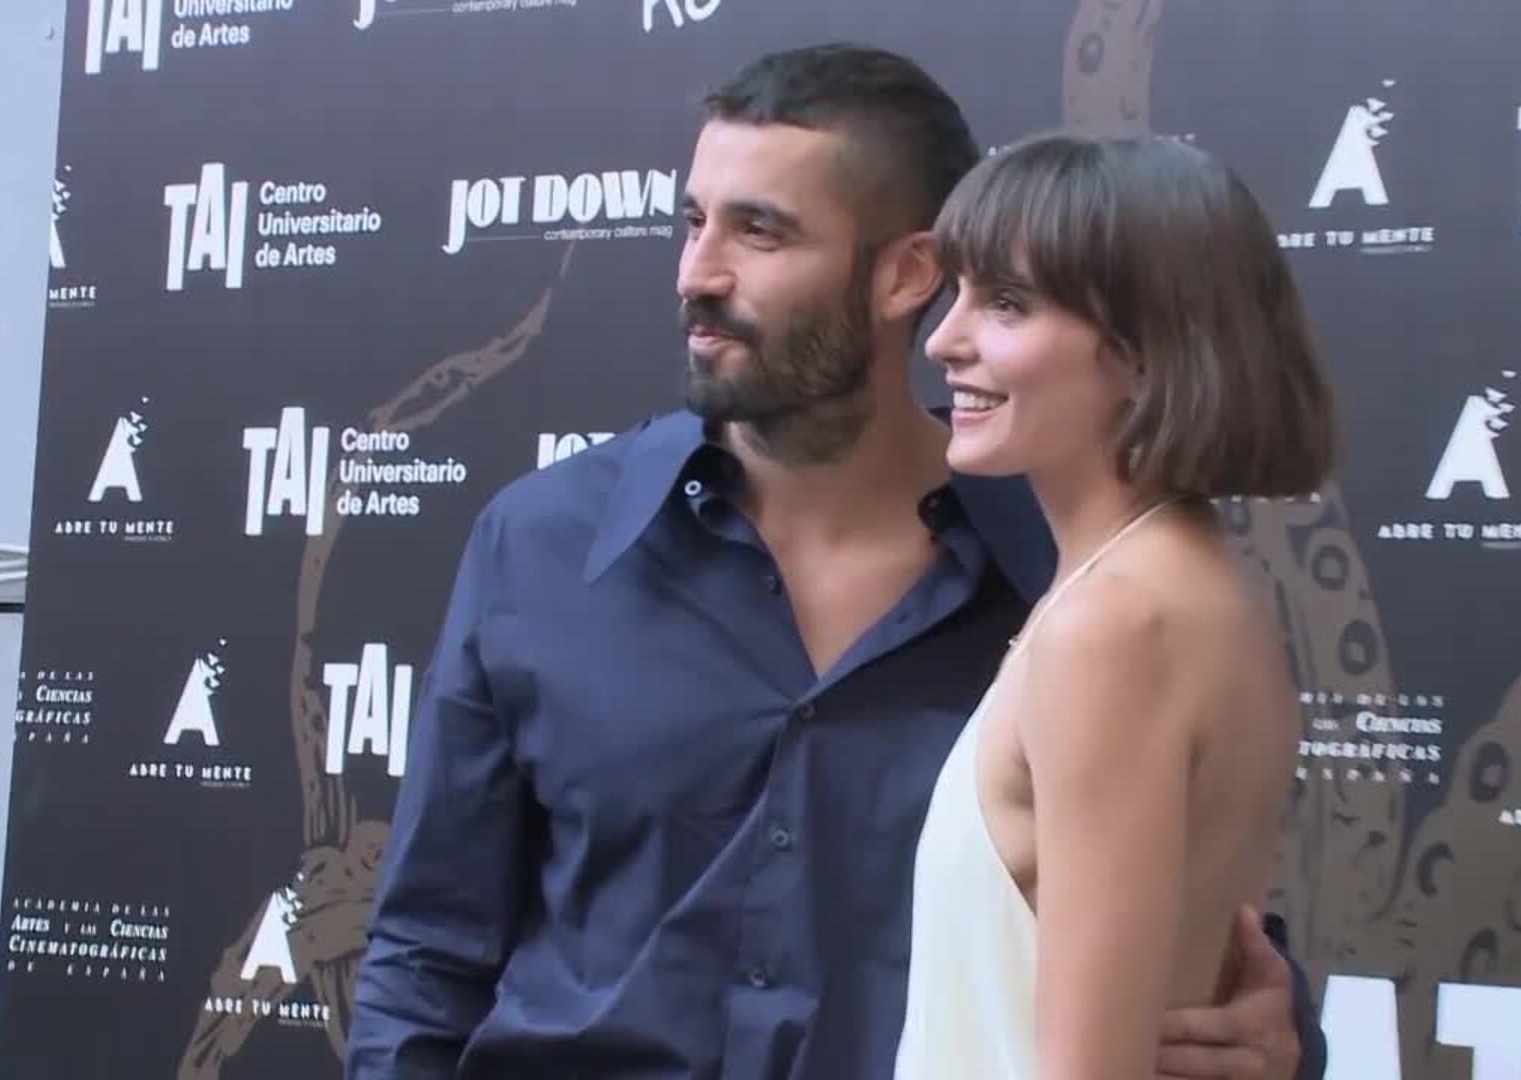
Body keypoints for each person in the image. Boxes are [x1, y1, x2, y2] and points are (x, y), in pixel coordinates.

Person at [346, 43, 1326, 1080]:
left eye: (759, 231)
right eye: (693, 223)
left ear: (907, 273)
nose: (697, 275)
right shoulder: (541, 543)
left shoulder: (1078, 583)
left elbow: (1183, 932)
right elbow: (428, 952)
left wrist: (1274, 1036)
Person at [889, 134, 1333, 1080]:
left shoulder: (1111, 628)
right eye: (957, 292)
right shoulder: (1181, 583)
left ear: (1144, 350)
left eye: (1006, 303)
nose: (943, 339)